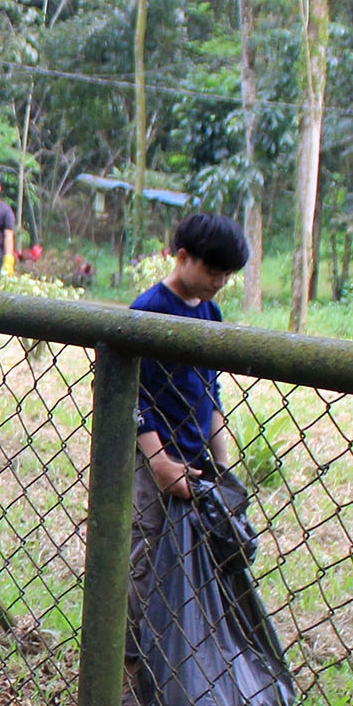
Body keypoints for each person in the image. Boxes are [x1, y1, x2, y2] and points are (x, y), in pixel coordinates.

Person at [127, 213, 250, 679]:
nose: (220, 282)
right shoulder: (150, 309)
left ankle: (177, 666)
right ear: (183, 258)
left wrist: (221, 462)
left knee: (194, 564)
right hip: (152, 462)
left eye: (227, 275)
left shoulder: (209, 312)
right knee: (144, 561)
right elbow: (132, 397)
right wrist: (159, 460)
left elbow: (211, 391)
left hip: (198, 462)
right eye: (213, 271)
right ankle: (129, 670)